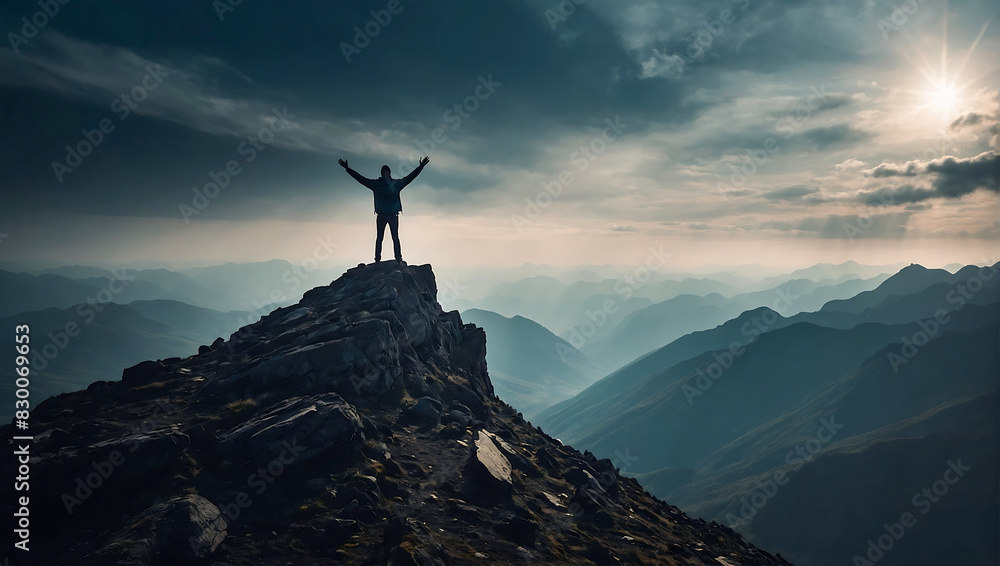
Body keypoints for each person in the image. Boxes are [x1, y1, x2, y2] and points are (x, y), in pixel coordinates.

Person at [339, 156, 429, 263]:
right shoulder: (395, 184)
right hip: (392, 216)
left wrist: (348, 169)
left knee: (380, 238)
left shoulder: (376, 184)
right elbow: (409, 178)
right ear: (389, 173)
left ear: (381, 174)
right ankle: (398, 259)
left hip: (382, 216)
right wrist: (421, 167)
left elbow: (361, 179)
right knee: (394, 237)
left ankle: (378, 260)